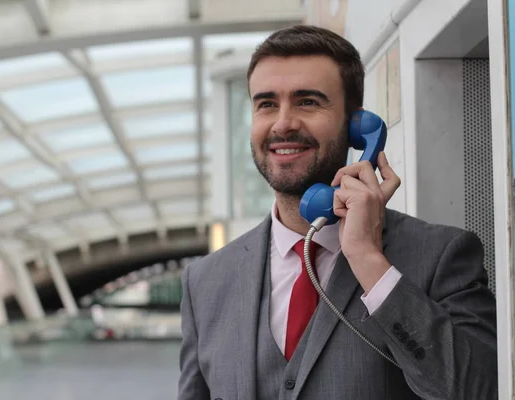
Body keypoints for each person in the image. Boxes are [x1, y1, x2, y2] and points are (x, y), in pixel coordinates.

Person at [177, 25, 497, 399]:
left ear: (357, 126)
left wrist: (367, 258)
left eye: (308, 101)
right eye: (266, 104)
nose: (283, 123)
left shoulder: (443, 255)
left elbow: (479, 392)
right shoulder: (205, 282)